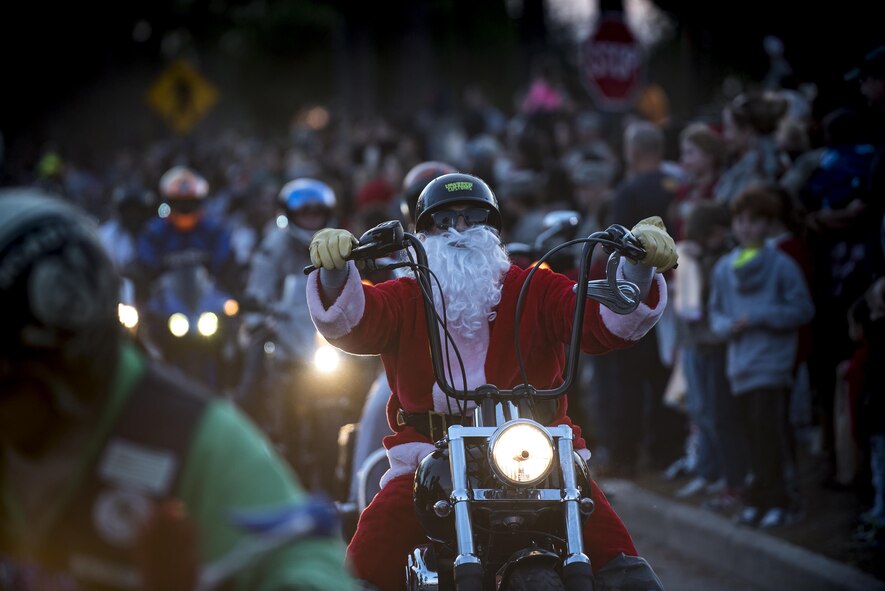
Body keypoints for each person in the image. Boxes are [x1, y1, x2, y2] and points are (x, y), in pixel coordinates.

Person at [305, 172, 676, 590]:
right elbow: (356, 322)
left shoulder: (534, 286)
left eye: (474, 218)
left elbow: (596, 320)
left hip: (540, 454)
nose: (460, 230)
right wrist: (335, 273)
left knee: (618, 559)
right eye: (443, 221)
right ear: (421, 232)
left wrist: (638, 268)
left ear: (493, 231)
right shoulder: (407, 294)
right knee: (365, 561)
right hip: (432, 456)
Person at [0, 188, 357, 591]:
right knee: (257, 361)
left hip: (279, 331)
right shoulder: (175, 236)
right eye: (303, 211)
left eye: (12, 386)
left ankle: (250, 406)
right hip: (179, 316)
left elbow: (303, 559)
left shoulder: (193, 435)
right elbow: (152, 268)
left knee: (247, 364)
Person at [708, 186, 815, 528]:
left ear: (768, 225)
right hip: (740, 366)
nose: (745, 228)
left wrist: (760, 317)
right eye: (740, 220)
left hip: (773, 365)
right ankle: (757, 499)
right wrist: (728, 327)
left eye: (754, 221)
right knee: (750, 436)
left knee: (772, 435)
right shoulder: (725, 268)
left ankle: (782, 501)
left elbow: (802, 309)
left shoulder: (782, 265)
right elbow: (716, 313)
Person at [133, 165, 236, 303]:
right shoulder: (153, 233)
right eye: (179, 203)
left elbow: (225, 264)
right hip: (166, 303)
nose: (185, 208)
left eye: (190, 202)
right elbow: (145, 267)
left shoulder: (215, 231)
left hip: (208, 303)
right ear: (170, 202)